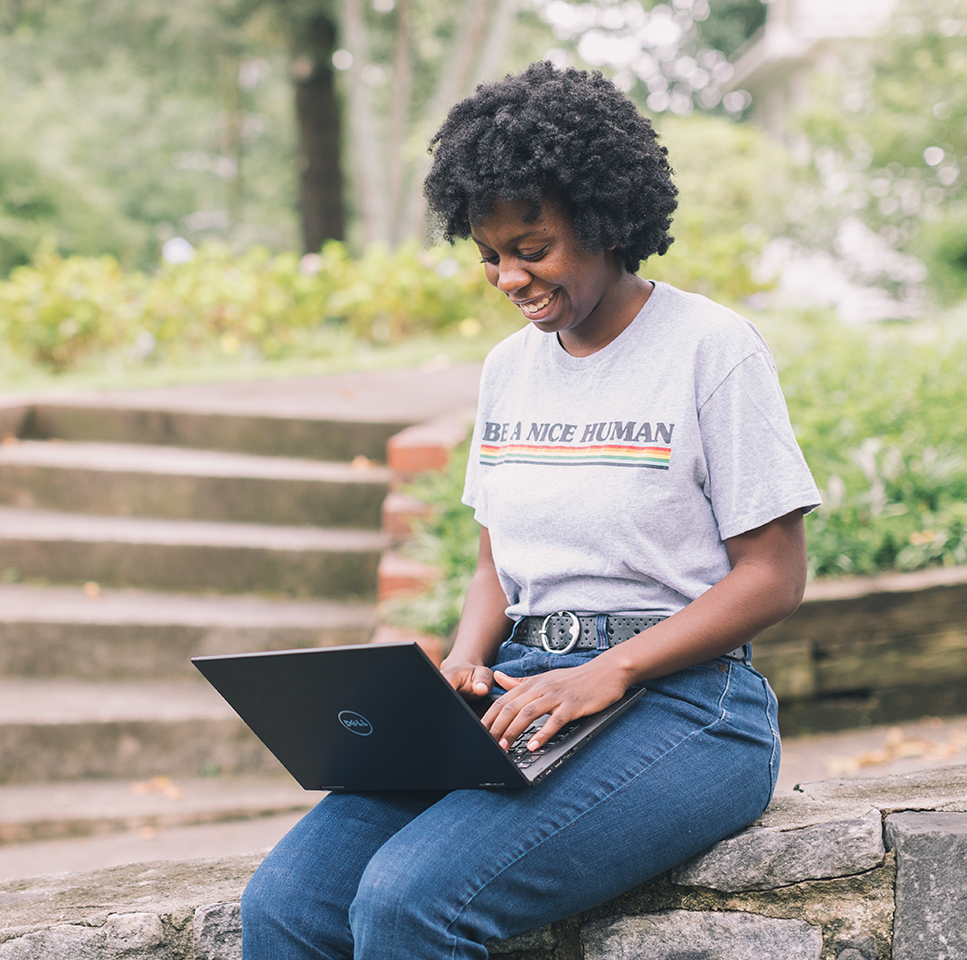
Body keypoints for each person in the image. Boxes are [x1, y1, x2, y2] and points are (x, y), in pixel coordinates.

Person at [239, 61, 821, 959]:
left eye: (531, 248)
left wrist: (610, 670)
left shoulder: (712, 349)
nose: (509, 277)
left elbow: (775, 576)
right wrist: (463, 663)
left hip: (688, 705)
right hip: (521, 694)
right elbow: (492, 567)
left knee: (408, 902)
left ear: (602, 219)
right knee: (286, 901)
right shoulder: (510, 370)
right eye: (489, 256)